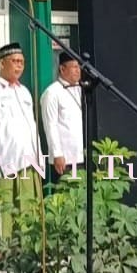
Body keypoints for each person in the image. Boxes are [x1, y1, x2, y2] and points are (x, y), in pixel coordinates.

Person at [0, 43, 43, 239]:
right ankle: (5, 254)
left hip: (28, 161)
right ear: (2, 63)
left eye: (22, 62)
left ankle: (28, 252)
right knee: (5, 210)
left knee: (29, 209)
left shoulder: (24, 92)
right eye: (14, 61)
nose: (19, 66)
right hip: (5, 162)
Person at [40, 50, 84, 183]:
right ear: (62, 69)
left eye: (79, 67)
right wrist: (57, 154)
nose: (78, 71)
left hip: (80, 156)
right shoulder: (52, 93)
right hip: (64, 158)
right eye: (74, 67)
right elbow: (50, 126)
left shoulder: (79, 89)